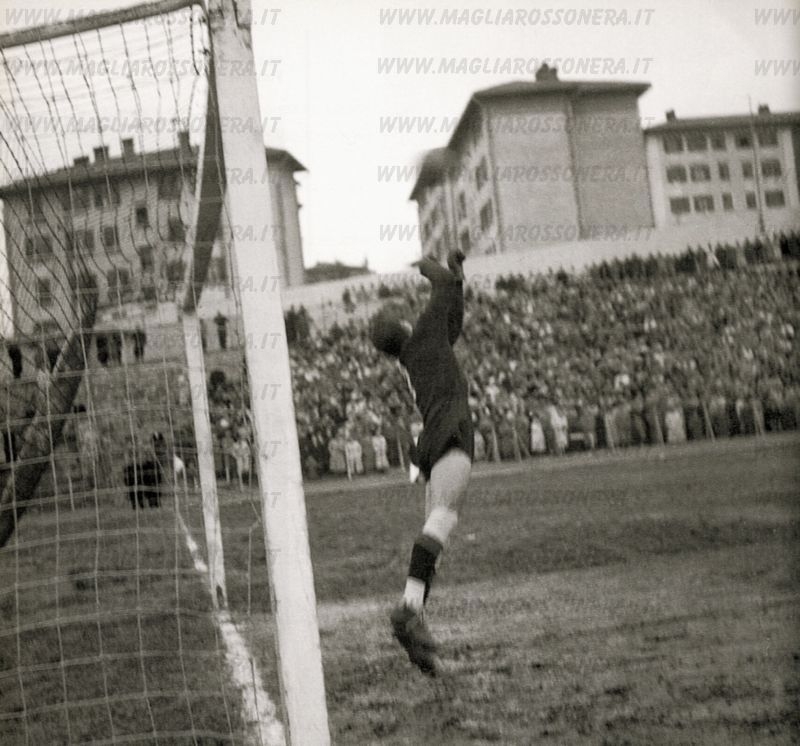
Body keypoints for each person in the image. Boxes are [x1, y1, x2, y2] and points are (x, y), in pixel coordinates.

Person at [369, 250, 473, 676]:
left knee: (439, 527)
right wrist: (429, 265)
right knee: (443, 519)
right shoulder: (421, 337)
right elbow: (441, 287)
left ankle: (416, 628)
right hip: (449, 428)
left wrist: (457, 279)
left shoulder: (419, 346)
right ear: (406, 325)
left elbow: (453, 326)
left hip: (432, 434)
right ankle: (409, 611)